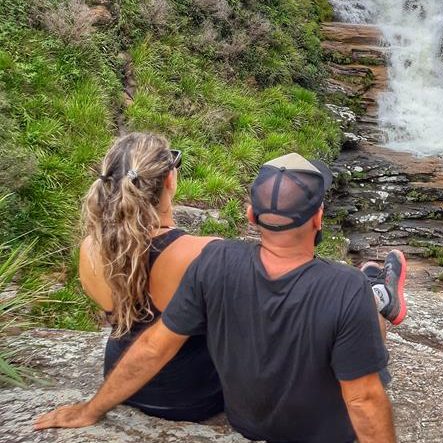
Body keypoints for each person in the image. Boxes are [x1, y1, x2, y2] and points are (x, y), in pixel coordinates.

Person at [37, 152, 407, 443]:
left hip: (245, 424)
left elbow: (154, 347)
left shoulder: (215, 261)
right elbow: (363, 399)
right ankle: (381, 295)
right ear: (318, 218)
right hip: (325, 435)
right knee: (366, 315)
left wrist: (92, 408)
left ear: (250, 215)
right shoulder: (345, 287)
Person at [78, 132, 224, 422]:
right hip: (192, 396)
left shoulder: (89, 248)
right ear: (169, 180)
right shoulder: (204, 252)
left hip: (119, 383)